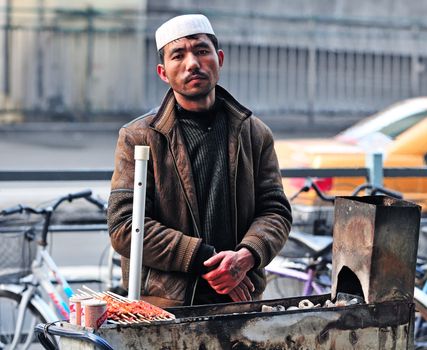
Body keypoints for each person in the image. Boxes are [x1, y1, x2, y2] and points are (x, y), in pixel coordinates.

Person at [108, 14, 292, 307]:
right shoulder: (140, 136)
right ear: (163, 72)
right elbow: (125, 226)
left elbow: (275, 211)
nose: (192, 63)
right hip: (164, 305)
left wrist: (246, 256)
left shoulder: (255, 133)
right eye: (178, 55)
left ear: (219, 59)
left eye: (202, 51)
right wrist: (206, 259)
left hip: (240, 302)